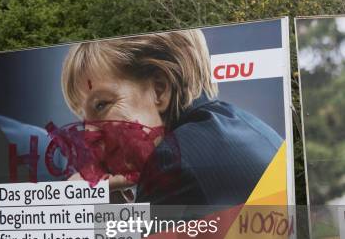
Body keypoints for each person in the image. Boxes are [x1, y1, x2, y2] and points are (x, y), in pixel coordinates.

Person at [60, 30, 283, 205]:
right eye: (83, 120)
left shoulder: (173, 165)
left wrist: (70, 213)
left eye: (101, 105)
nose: (89, 137)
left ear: (159, 89)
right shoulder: (245, 125)